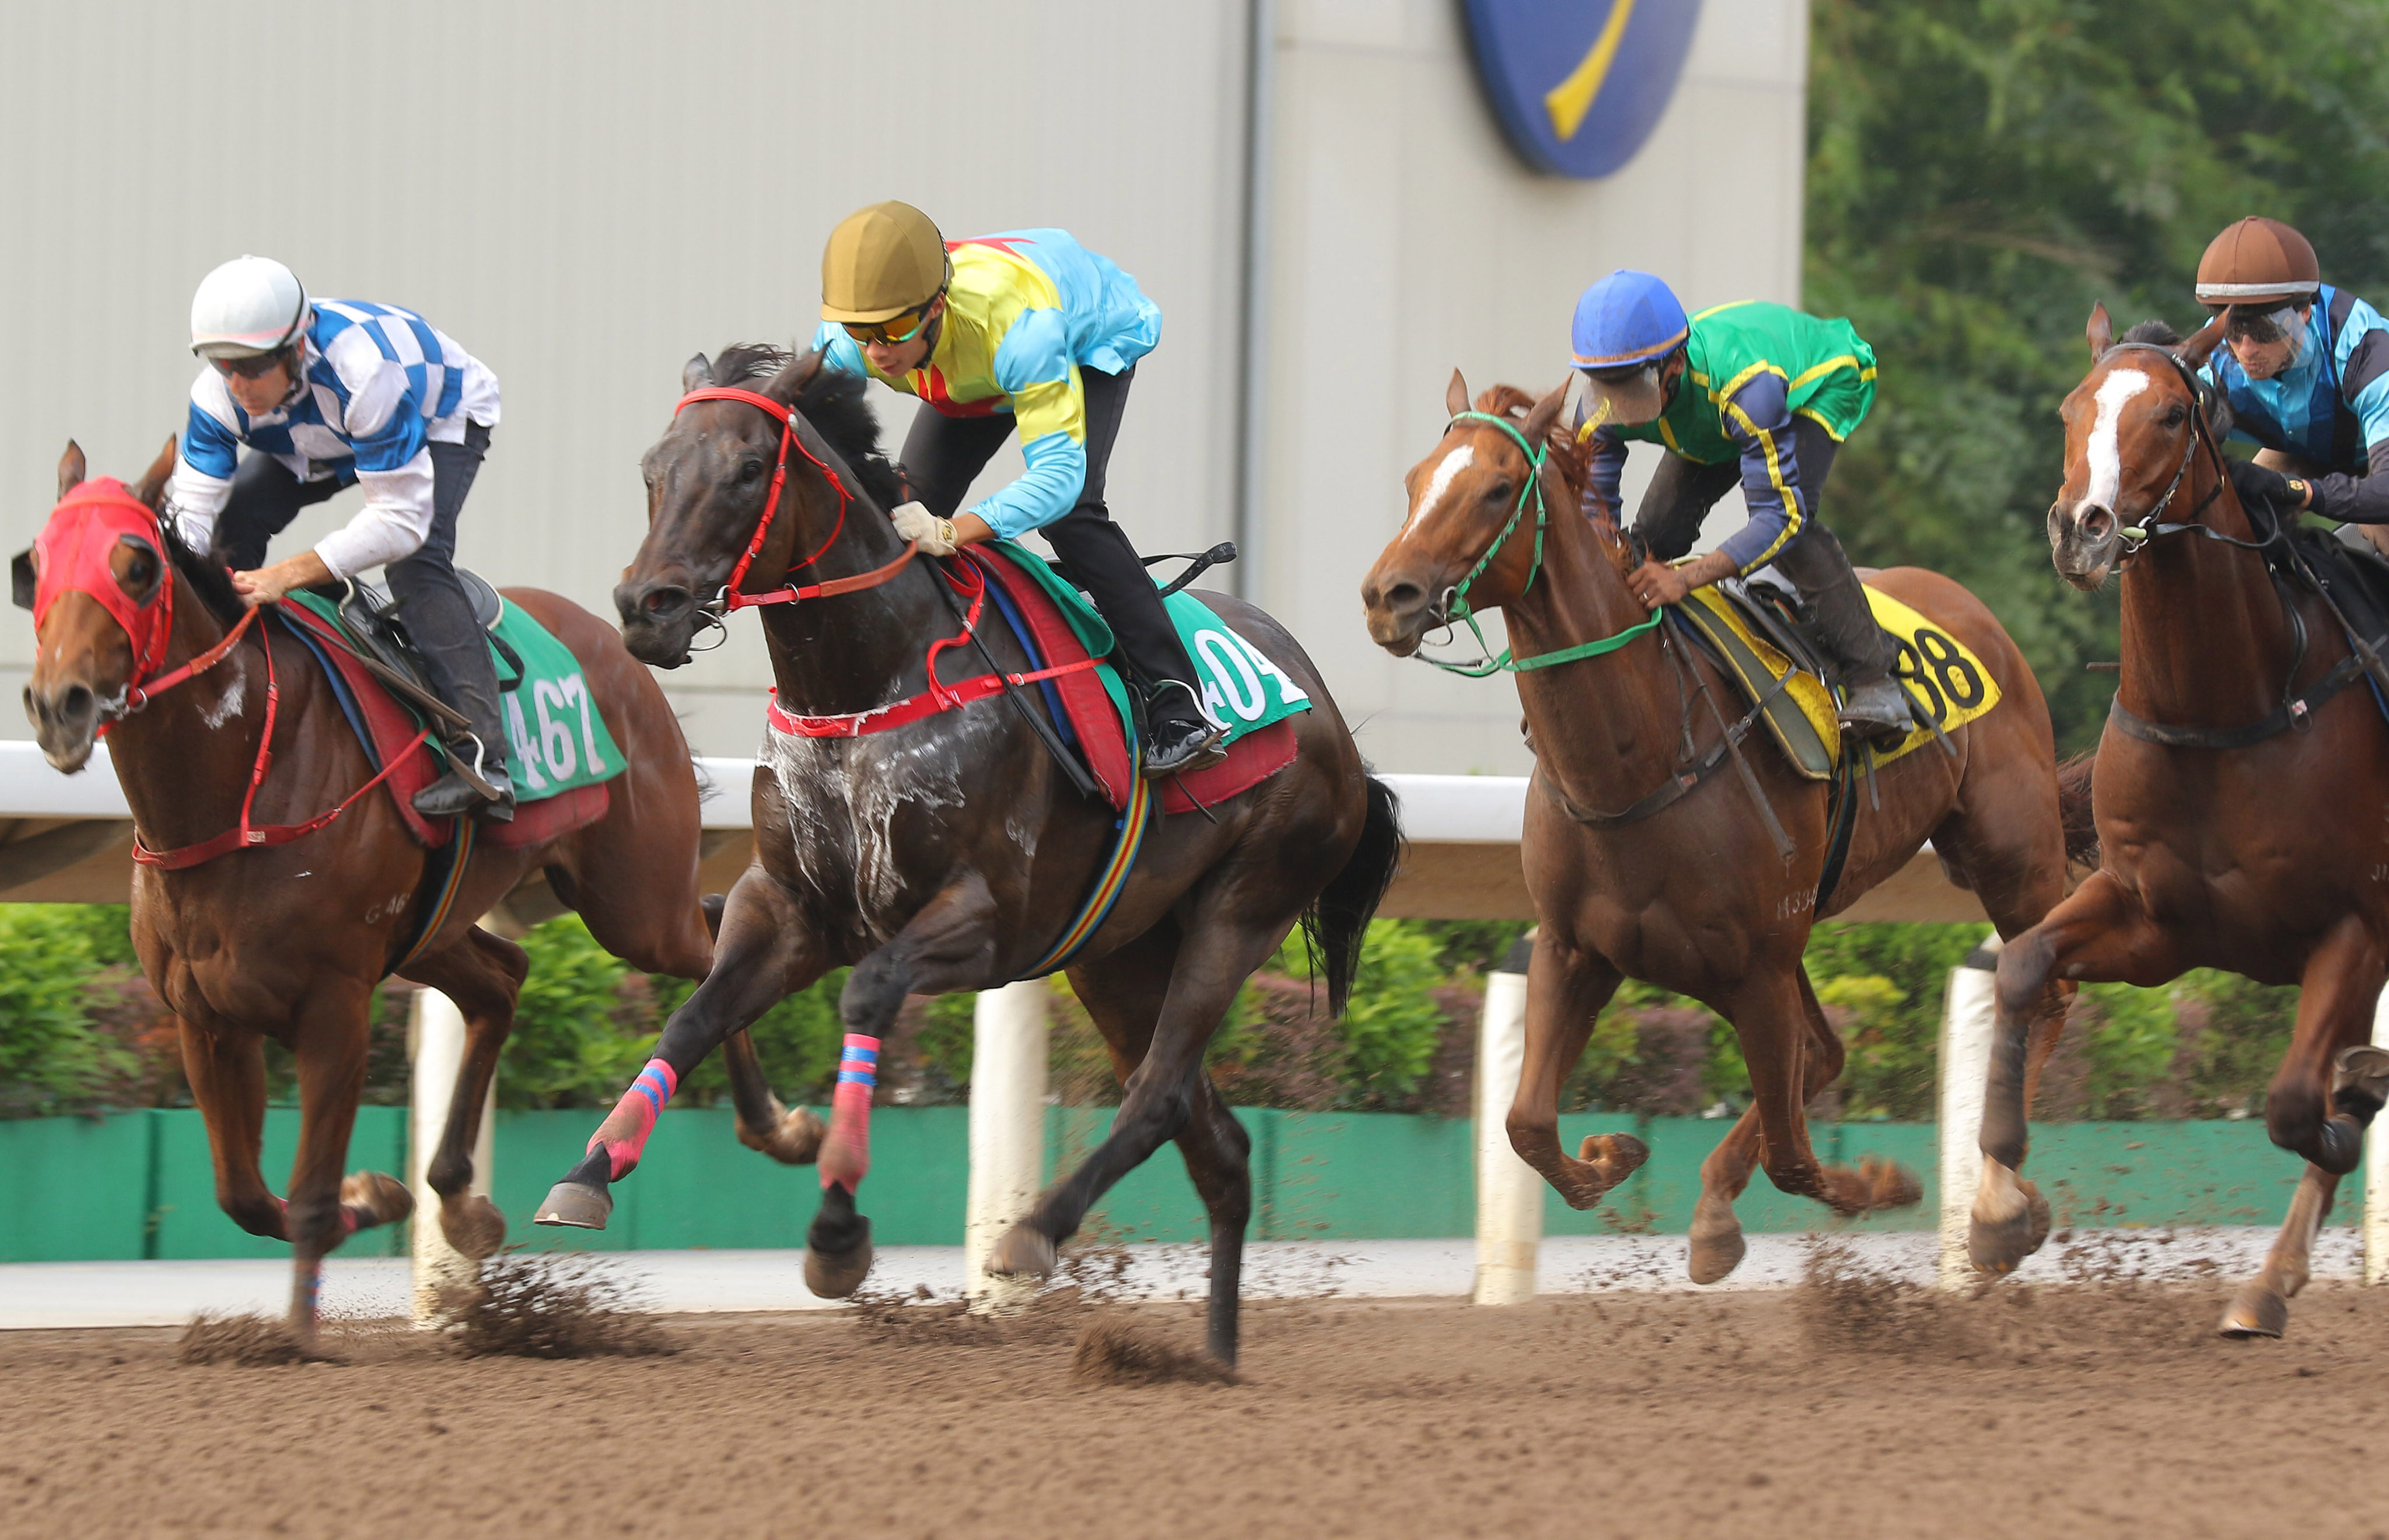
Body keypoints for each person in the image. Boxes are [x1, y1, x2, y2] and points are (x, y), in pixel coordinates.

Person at [811, 202, 1226, 778]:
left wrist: (954, 531)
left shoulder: (1023, 330)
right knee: (899, 513)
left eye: (892, 329)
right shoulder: (843, 337)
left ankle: (1178, 700)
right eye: (862, 332)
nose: (877, 349)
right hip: (970, 363)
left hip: (1078, 341)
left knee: (1072, 514)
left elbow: (1056, 481)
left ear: (934, 306)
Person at [163, 256, 511, 818]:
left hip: (435, 413)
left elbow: (399, 522)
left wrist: (284, 576)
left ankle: (484, 759)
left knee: (415, 563)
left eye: (251, 368)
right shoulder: (218, 395)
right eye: (223, 364)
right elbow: (191, 521)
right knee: (231, 530)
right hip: (320, 427)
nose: (237, 384)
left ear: (296, 349)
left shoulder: (362, 371)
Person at [1567, 270, 1911, 740]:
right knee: (1650, 541)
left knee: (1793, 535)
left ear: (1674, 364)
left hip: (1817, 383)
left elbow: (1780, 518)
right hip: (1717, 419)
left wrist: (1685, 578)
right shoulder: (1599, 410)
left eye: (1632, 387)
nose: (1619, 407)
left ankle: (1876, 680)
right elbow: (1594, 524)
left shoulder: (1748, 388)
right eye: (1604, 388)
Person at [2189, 216, 2389, 555]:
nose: (2246, 350)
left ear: (2305, 311)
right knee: (2235, 519)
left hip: (2380, 471)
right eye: (2234, 331)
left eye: (2266, 330)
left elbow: (2384, 493)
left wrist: (2299, 492)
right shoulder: (2216, 366)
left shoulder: (2365, 354)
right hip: (2312, 450)